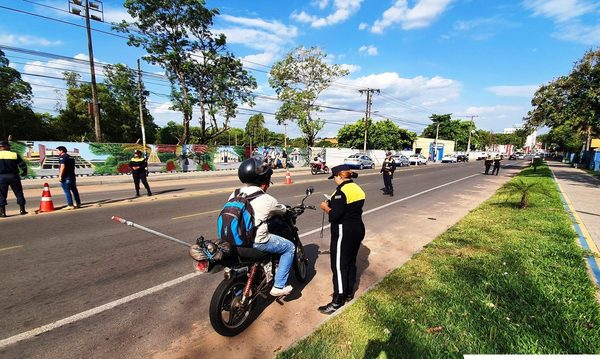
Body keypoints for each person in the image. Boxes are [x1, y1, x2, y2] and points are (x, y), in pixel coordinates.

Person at [233, 158, 295, 296]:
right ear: (265, 180)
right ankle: (279, 286)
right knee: (289, 247)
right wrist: (287, 210)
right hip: (257, 242)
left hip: (236, 239)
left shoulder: (235, 193)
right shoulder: (267, 199)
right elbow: (282, 210)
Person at [318, 164, 366, 314]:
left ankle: (337, 300)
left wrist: (325, 207)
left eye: (334, 178)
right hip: (357, 228)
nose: (334, 180)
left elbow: (335, 215)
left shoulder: (341, 191)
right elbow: (348, 207)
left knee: (338, 266)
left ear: (339, 176)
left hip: (343, 231)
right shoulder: (357, 188)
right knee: (350, 262)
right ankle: (349, 292)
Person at [0, 141, 28, 217]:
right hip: (14, 176)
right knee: (19, 193)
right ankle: (22, 210)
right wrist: (24, 172)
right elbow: (22, 165)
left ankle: (2, 213)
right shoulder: (14, 154)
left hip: (1, 177)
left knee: (1, 195)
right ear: (6, 147)